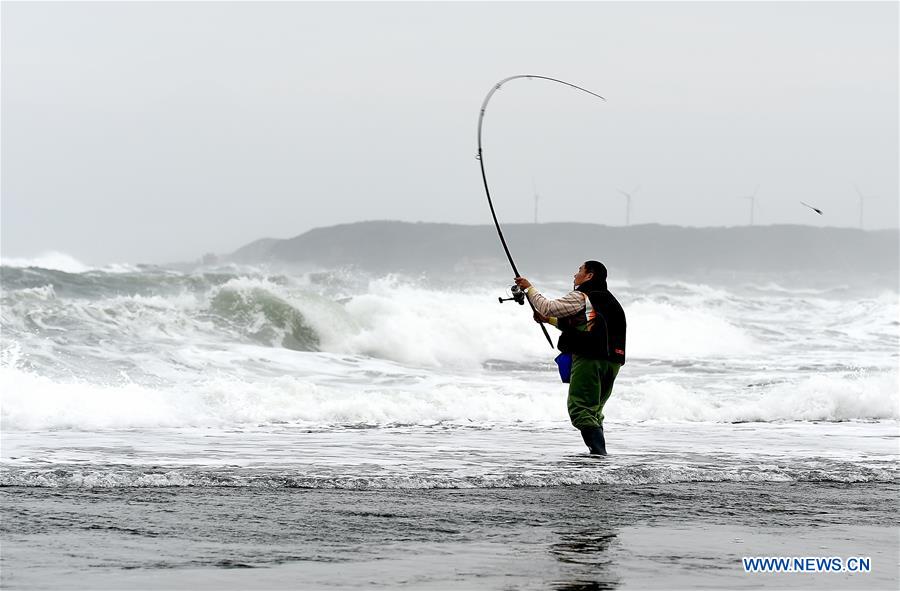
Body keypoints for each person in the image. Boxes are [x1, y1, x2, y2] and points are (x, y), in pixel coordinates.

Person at [514, 261, 626, 455]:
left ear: (589, 276)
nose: (575, 274)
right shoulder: (608, 299)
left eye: (579, 270)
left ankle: (599, 456)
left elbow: (548, 307)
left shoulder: (583, 295)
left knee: (580, 409)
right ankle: (600, 459)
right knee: (594, 411)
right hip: (613, 361)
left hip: (590, 358)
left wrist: (529, 288)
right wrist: (548, 320)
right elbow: (587, 325)